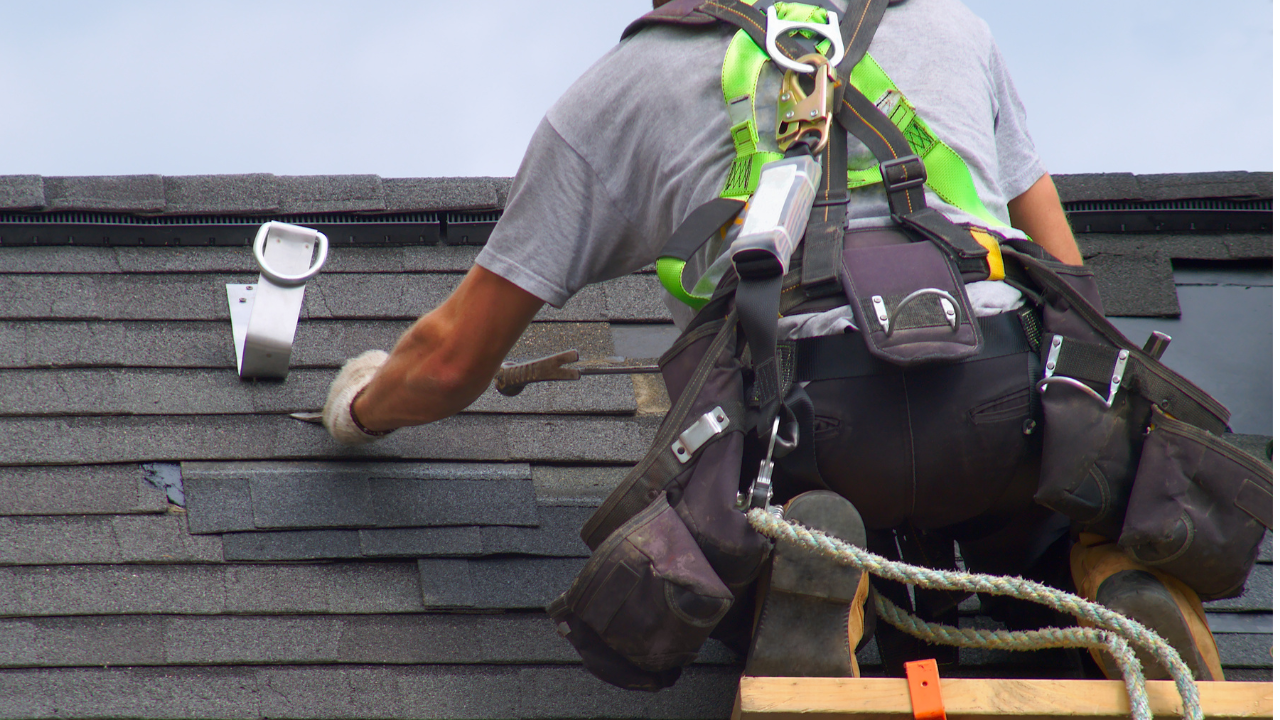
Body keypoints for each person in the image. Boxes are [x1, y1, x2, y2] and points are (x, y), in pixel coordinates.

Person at [321, 0, 1223, 682]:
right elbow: (1072, 291)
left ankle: (810, 577)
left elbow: (451, 359)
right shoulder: (952, 28)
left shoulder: (623, 88)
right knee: (1050, 489)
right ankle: (1102, 571)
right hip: (1006, 408)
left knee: (731, 516)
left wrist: (360, 408)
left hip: (808, 430)